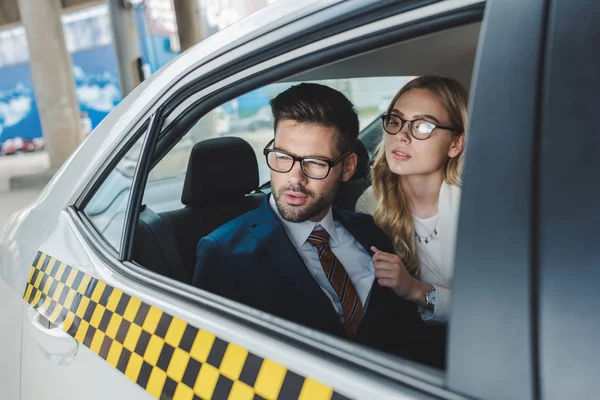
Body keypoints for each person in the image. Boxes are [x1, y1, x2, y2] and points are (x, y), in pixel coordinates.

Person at [193, 83, 445, 368]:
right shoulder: (224, 253)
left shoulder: (369, 231)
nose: (295, 178)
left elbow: (406, 337)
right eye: (283, 157)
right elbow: (213, 369)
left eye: (315, 163)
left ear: (348, 168)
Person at [355, 76, 468, 325]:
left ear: (455, 143)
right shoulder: (370, 206)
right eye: (396, 121)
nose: (402, 136)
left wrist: (415, 289)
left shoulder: (479, 205)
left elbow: (493, 304)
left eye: (423, 126)